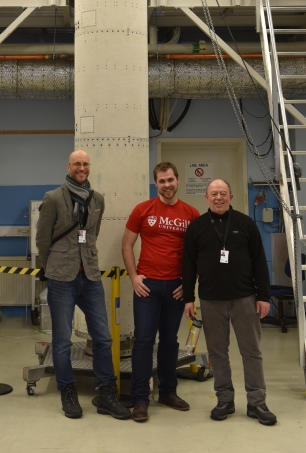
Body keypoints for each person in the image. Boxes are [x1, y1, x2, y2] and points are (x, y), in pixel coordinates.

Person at [36, 149, 130, 420]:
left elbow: (92, 234)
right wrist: (53, 265)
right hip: (61, 278)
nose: (82, 168)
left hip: (89, 277)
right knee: (63, 341)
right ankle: (68, 391)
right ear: (68, 166)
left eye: (85, 164)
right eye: (77, 163)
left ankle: (106, 394)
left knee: (103, 337)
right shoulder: (53, 198)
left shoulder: (97, 199)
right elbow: (42, 241)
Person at [182, 178, 277, 426]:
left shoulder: (245, 224)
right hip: (211, 300)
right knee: (217, 353)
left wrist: (264, 296)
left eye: (223, 193)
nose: (218, 197)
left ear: (231, 197)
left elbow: (259, 261)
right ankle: (225, 400)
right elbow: (188, 266)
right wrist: (188, 299)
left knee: (252, 352)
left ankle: (257, 402)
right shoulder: (197, 227)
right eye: (213, 193)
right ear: (206, 198)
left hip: (244, 298)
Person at [122, 162, 200, 422]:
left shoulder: (191, 214)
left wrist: (188, 284)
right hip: (148, 288)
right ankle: (140, 400)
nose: (167, 185)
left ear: (177, 180)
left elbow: (199, 254)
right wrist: (134, 277)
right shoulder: (142, 210)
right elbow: (127, 245)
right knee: (144, 342)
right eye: (162, 181)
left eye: (170, 180)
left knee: (169, 342)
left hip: (176, 288)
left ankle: (168, 392)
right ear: (156, 184)